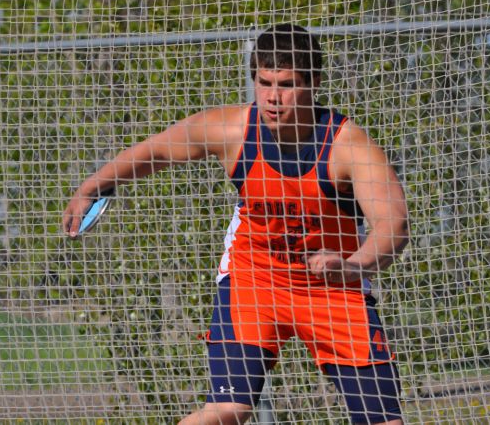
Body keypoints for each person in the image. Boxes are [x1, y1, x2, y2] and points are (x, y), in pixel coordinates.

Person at [63, 24, 409, 425]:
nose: (273, 98)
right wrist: (92, 185)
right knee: (228, 410)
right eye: (264, 83)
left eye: (287, 85)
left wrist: (353, 266)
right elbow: (156, 150)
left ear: (314, 82)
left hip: (333, 289)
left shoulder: (347, 146)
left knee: (384, 421)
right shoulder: (233, 130)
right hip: (254, 281)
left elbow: (392, 226)